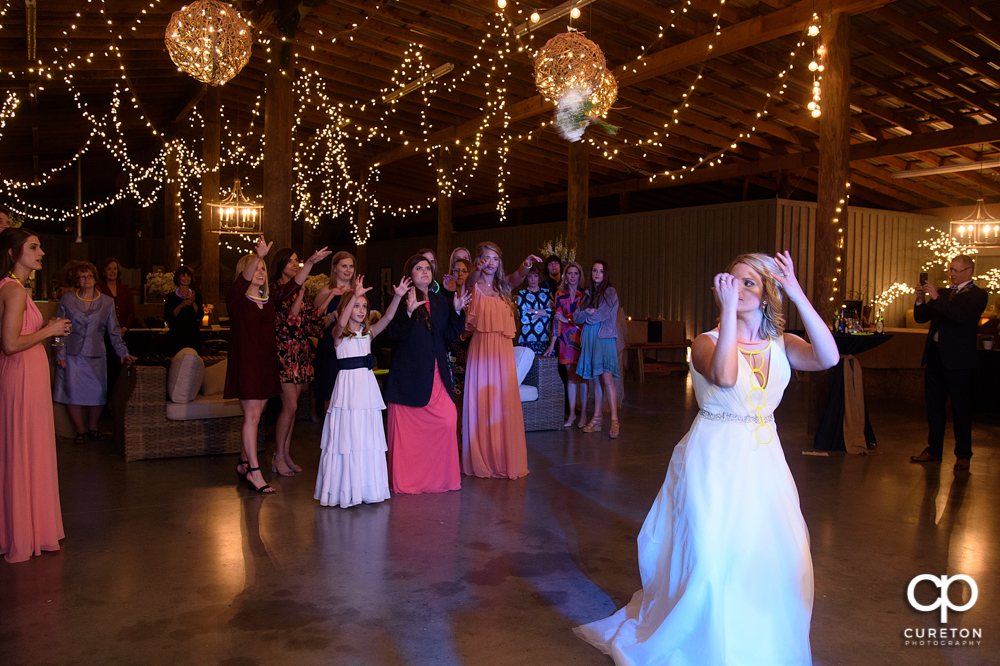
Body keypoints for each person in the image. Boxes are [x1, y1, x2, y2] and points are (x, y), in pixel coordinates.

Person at [575, 251, 839, 666]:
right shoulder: (705, 342)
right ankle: (707, 647)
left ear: (768, 293)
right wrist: (730, 312)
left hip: (764, 461)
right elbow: (726, 376)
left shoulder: (782, 344)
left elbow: (829, 358)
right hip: (713, 457)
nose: (738, 289)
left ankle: (756, 646)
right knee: (712, 559)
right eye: (730, 283)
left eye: (749, 283)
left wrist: (798, 293)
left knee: (779, 557)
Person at [227, 237, 331, 494]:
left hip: (266, 364)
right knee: (252, 416)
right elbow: (242, 283)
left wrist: (311, 263)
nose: (261, 272)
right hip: (248, 364)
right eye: (256, 268)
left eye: (263, 269)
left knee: (258, 414)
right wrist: (259, 256)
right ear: (246, 273)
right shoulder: (237, 300)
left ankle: (242, 463)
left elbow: (293, 285)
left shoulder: (269, 299)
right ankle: (253, 471)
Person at [0, 228, 71, 563]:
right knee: (23, 448)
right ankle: (23, 532)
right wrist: (49, 330)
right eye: (33, 247)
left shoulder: (17, 289)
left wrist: (45, 330)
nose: (41, 251)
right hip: (22, 376)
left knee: (27, 448)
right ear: (15, 253)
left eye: (40, 245)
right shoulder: (12, 290)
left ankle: (25, 527)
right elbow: (10, 344)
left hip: (27, 375)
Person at [315, 273, 409, 508]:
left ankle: (367, 487)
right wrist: (353, 295)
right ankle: (345, 489)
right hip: (347, 389)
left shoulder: (367, 333)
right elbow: (339, 324)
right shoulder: (338, 335)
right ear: (346, 308)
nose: (361, 309)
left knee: (365, 436)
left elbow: (387, 318)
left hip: (366, 389)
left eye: (364, 306)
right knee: (348, 436)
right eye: (356, 305)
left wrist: (397, 297)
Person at [384, 254, 470, 494]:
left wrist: (457, 311)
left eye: (428, 268)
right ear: (410, 274)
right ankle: (410, 481)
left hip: (436, 375)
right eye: (418, 268)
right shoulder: (400, 299)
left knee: (447, 420)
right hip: (408, 376)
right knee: (409, 437)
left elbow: (451, 334)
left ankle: (441, 479)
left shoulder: (442, 301)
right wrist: (409, 313)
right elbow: (393, 334)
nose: (424, 272)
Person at [462, 242, 541, 480]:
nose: (490, 263)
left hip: (502, 350)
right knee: (481, 400)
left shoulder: (503, 285)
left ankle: (503, 456)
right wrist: (477, 267)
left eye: (495, 259)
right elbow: (469, 280)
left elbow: (517, 277)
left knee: (501, 401)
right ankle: (481, 456)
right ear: (479, 261)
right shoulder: (473, 283)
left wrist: (526, 265)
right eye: (486, 258)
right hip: (481, 349)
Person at [909, 254, 988, 471]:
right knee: (934, 406)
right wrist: (920, 299)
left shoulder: (978, 295)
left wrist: (937, 298)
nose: (951, 274)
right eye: (949, 270)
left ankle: (963, 454)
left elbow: (961, 317)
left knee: (961, 408)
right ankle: (934, 449)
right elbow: (921, 317)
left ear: (969, 271)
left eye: (955, 270)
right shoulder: (944, 293)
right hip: (935, 356)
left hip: (959, 360)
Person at [54, 261, 136, 444]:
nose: (87, 279)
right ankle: (80, 431)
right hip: (72, 354)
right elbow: (59, 328)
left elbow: (114, 331)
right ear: (77, 280)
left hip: (96, 354)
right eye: (82, 277)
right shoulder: (67, 299)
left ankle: (93, 428)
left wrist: (123, 353)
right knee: (72, 392)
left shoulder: (106, 301)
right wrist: (60, 353)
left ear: (94, 277)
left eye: (89, 276)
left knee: (99, 392)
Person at [269, 248, 325, 476]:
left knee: (292, 409)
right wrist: (300, 295)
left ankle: (286, 452)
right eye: (291, 261)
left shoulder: (302, 290)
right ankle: (278, 456)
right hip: (283, 352)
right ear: (281, 265)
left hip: (301, 352)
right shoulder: (275, 291)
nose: (295, 264)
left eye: (297, 261)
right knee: (289, 406)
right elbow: (290, 323)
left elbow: (311, 322)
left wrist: (329, 298)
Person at [574, 260, 621, 438]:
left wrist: (590, 316)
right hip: (590, 338)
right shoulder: (587, 294)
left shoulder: (610, 292)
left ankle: (615, 419)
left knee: (607, 378)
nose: (597, 274)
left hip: (604, 337)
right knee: (594, 378)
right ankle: (597, 418)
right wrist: (588, 313)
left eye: (601, 271)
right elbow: (577, 317)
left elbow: (601, 315)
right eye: (594, 270)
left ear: (605, 273)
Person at [544, 261, 588, 428]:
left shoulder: (584, 295)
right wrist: (552, 344)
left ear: (580, 276)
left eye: (576, 273)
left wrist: (568, 319)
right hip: (565, 340)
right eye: (570, 273)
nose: (573, 276)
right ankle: (571, 414)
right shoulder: (559, 294)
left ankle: (583, 413)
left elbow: (584, 317)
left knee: (583, 376)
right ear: (565, 276)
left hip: (581, 337)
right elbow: (557, 320)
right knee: (570, 377)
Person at [313, 251, 356, 410]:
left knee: (349, 393)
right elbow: (314, 325)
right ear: (335, 268)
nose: (348, 270)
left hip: (350, 346)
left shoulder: (356, 291)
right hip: (330, 346)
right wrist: (332, 316)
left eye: (351, 266)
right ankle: (330, 432)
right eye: (344, 265)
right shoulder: (326, 291)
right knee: (331, 392)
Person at [97, 257, 135, 408]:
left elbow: (131, 312)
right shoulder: (99, 290)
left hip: (123, 336)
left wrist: (124, 329)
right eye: (109, 269)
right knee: (107, 370)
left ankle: (119, 403)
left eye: (115, 269)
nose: (112, 272)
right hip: (104, 337)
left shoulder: (125, 289)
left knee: (121, 370)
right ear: (103, 272)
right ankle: (105, 404)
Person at [447, 258, 473, 405]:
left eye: (464, 270)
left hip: (467, 343)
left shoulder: (474, 294)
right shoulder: (447, 295)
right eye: (456, 270)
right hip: (450, 345)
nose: (460, 273)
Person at [163, 265, 204, 356]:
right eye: (183, 276)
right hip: (176, 336)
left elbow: (200, 315)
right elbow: (169, 316)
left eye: (188, 276)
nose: (186, 278)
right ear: (178, 278)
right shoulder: (170, 297)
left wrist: (193, 302)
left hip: (192, 336)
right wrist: (183, 304)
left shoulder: (197, 296)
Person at [516, 264, 553, 354]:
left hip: (545, 337)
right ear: (526, 278)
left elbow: (552, 312)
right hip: (527, 336)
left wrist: (534, 311)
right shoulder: (522, 294)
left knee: (545, 366)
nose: (533, 279)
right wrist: (543, 313)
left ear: (539, 277)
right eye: (530, 276)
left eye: (535, 276)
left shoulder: (547, 293)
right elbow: (524, 318)